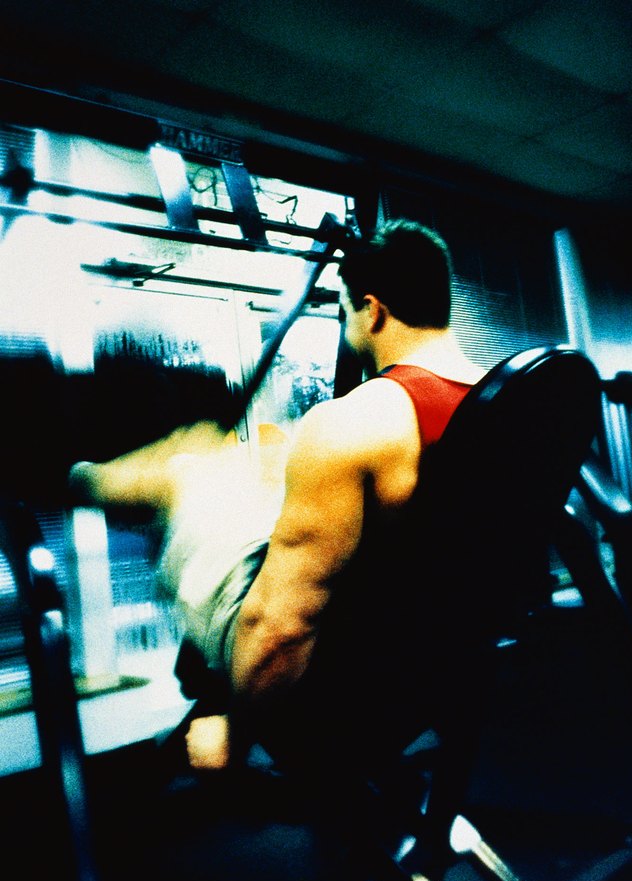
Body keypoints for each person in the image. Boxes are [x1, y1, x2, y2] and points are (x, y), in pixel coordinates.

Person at [70, 219, 486, 776]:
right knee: (267, 462)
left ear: (373, 310)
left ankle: (78, 478)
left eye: (343, 313)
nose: (346, 327)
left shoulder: (357, 422)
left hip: (334, 672)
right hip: (433, 656)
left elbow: (280, 625)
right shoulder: (503, 407)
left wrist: (238, 729)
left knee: (192, 468)